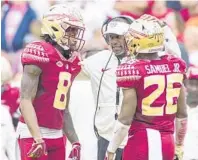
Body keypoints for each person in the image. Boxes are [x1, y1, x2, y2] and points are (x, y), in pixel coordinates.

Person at [106, 18, 188, 160]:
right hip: (167, 140)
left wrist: (111, 149)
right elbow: (182, 115)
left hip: (143, 139)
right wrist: (179, 146)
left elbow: (125, 118)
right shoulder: (175, 65)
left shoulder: (133, 69)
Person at [16, 4, 85, 160]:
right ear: (54, 27)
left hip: (57, 133)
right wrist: (38, 138)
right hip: (33, 132)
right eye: (70, 29)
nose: (74, 34)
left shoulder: (72, 60)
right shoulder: (39, 52)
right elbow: (25, 100)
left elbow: (63, 107)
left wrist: (75, 141)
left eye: (76, 30)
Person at [82, 16, 134, 160]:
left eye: (118, 36)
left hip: (132, 137)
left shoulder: (141, 60)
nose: (113, 41)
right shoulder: (99, 59)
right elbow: (71, 68)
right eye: (110, 37)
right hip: (105, 137)